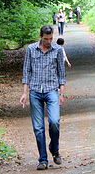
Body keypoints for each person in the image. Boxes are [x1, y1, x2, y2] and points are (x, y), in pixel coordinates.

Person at [20, 24, 66, 170]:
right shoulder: (31, 49)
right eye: (46, 39)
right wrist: (24, 92)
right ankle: (43, 159)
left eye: (51, 38)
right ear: (40, 37)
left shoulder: (57, 50)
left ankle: (54, 148)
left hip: (52, 89)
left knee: (54, 121)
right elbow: (26, 71)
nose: (49, 41)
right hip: (35, 90)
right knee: (38, 127)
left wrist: (62, 93)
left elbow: (61, 72)